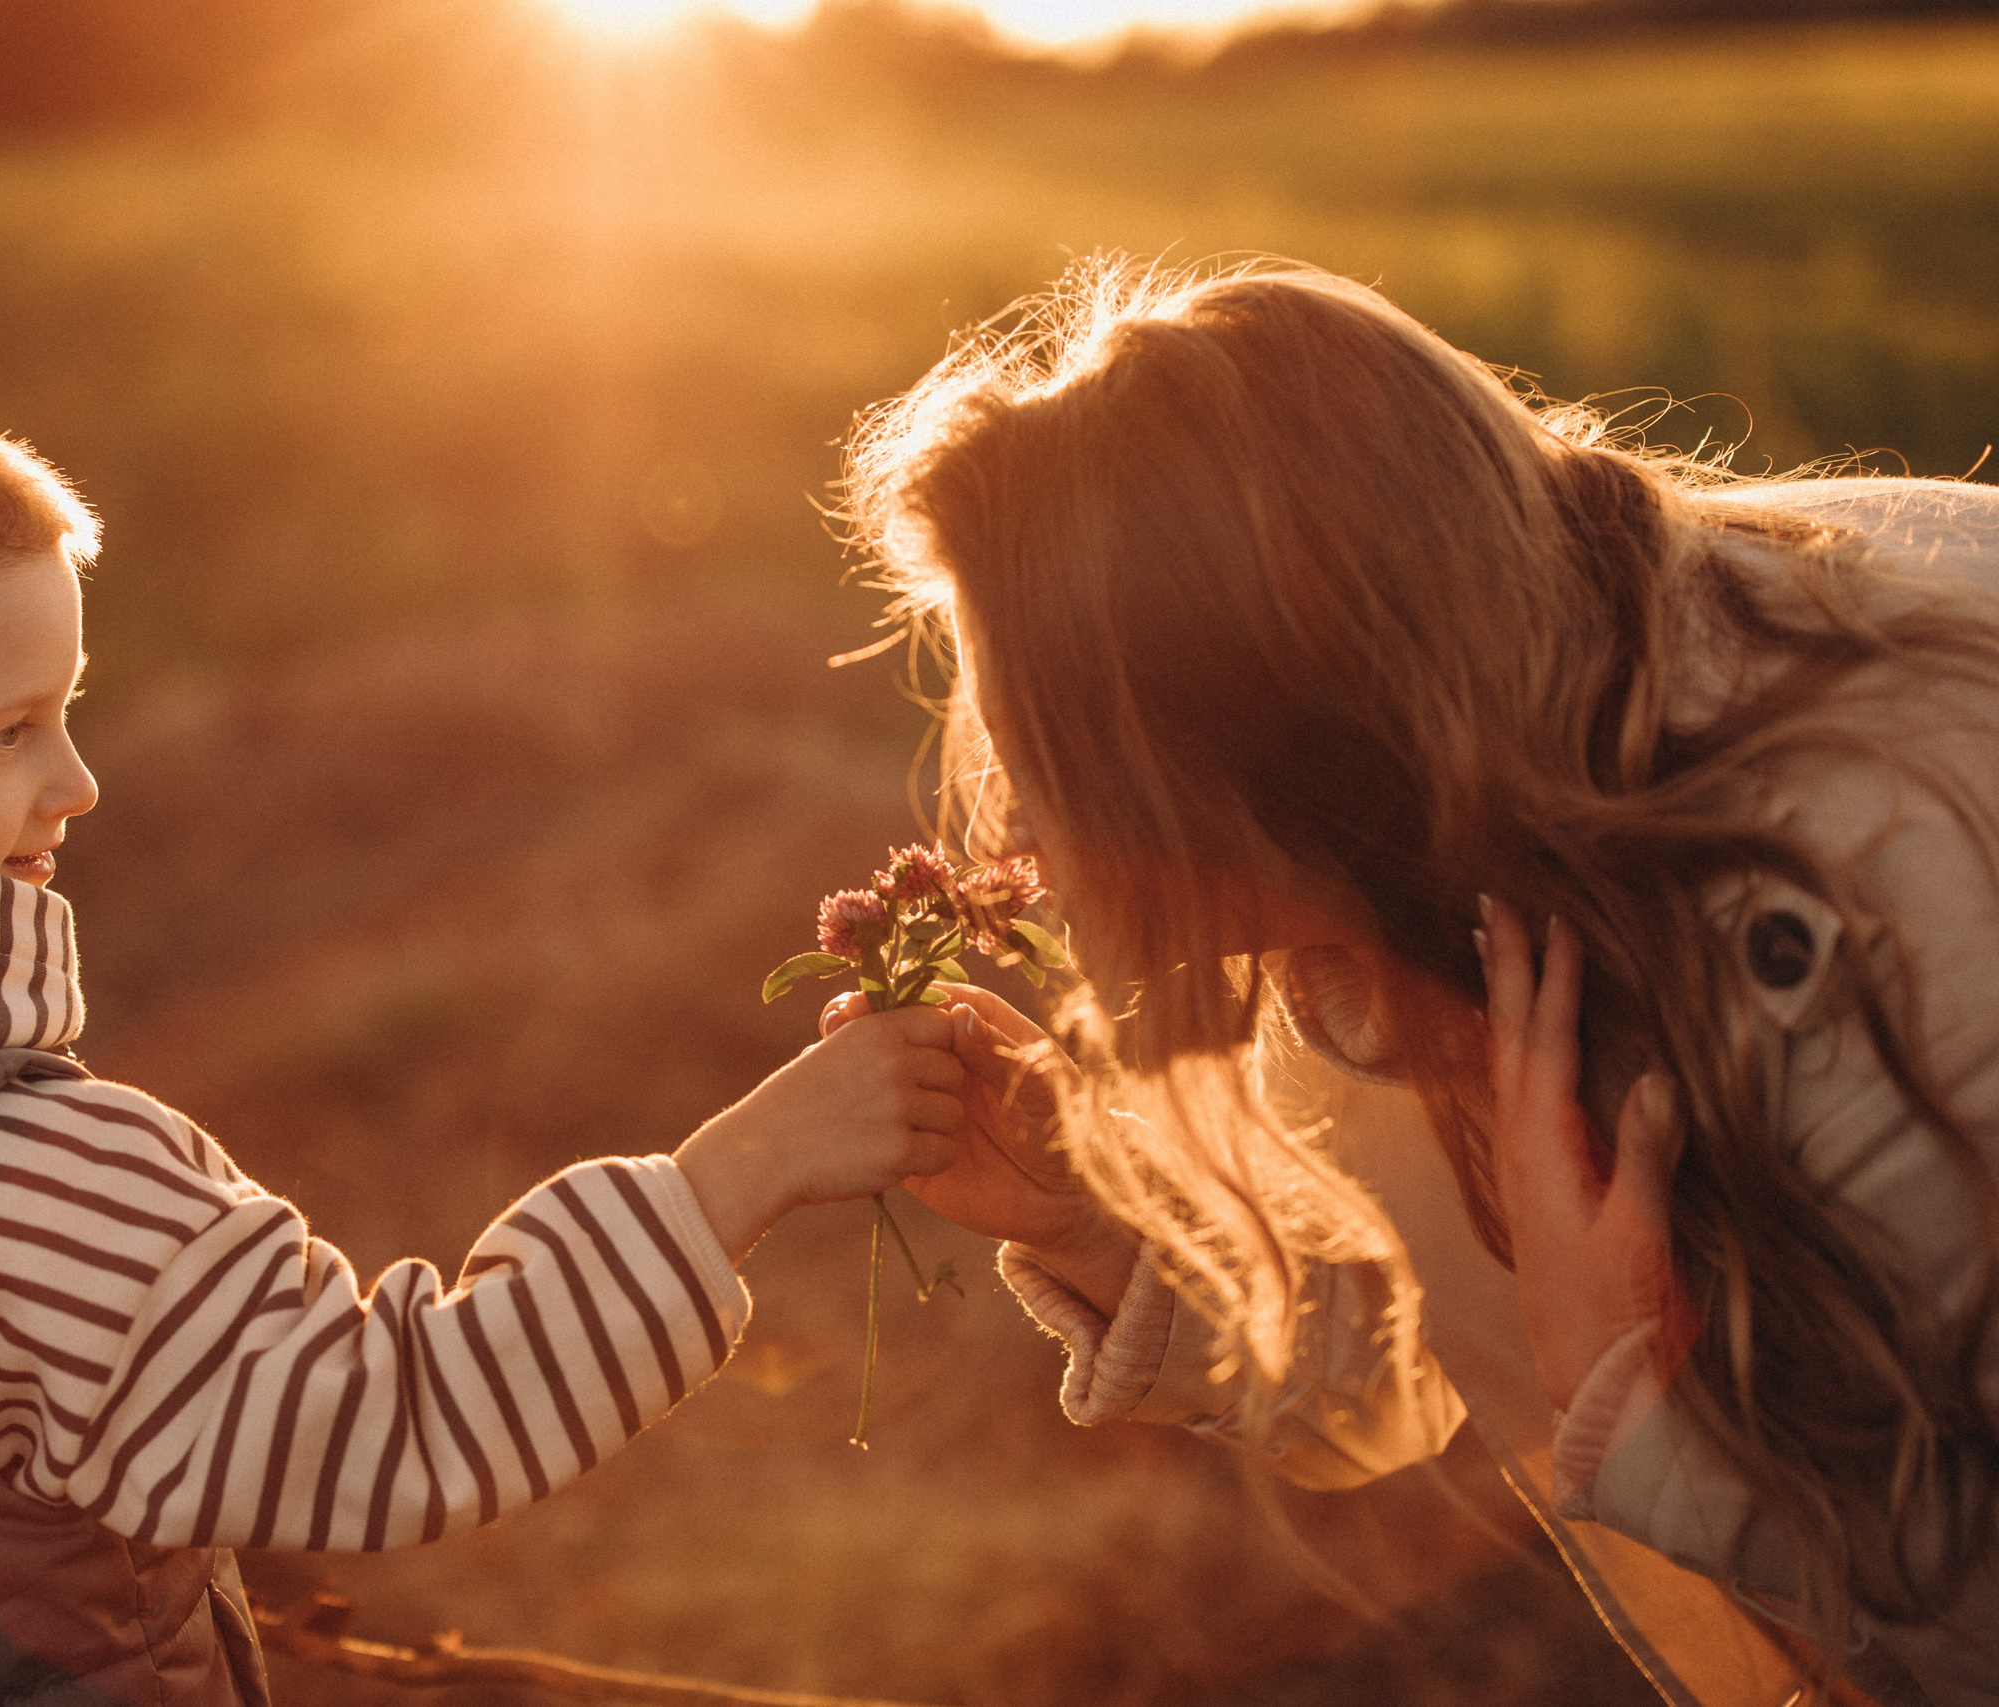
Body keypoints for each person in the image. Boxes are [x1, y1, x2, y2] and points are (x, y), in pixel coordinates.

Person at [0, 382, 973, 1704]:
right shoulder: (29, 1180)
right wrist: (748, 1164)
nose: (80, 781)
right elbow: (392, 1422)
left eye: (70, 710)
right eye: (9, 731)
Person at [833, 259, 1999, 1705]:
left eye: (1052, 767)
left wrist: (1642, 1424)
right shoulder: (1402, 906)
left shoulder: (1908, 914)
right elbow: (1428, 1344)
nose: (1003, 831)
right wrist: (1098, 1215)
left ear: (1249, 754)